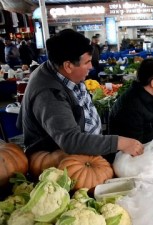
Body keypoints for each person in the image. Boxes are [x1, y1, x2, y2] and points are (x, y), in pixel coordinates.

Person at [16, 29, 144, 159]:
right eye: (87, 62)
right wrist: (118, 142)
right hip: (60, 161)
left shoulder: (60, 70)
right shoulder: (49, 94)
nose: (91, 67)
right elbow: (70, 140)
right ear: (68, 66)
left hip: (87, 152)